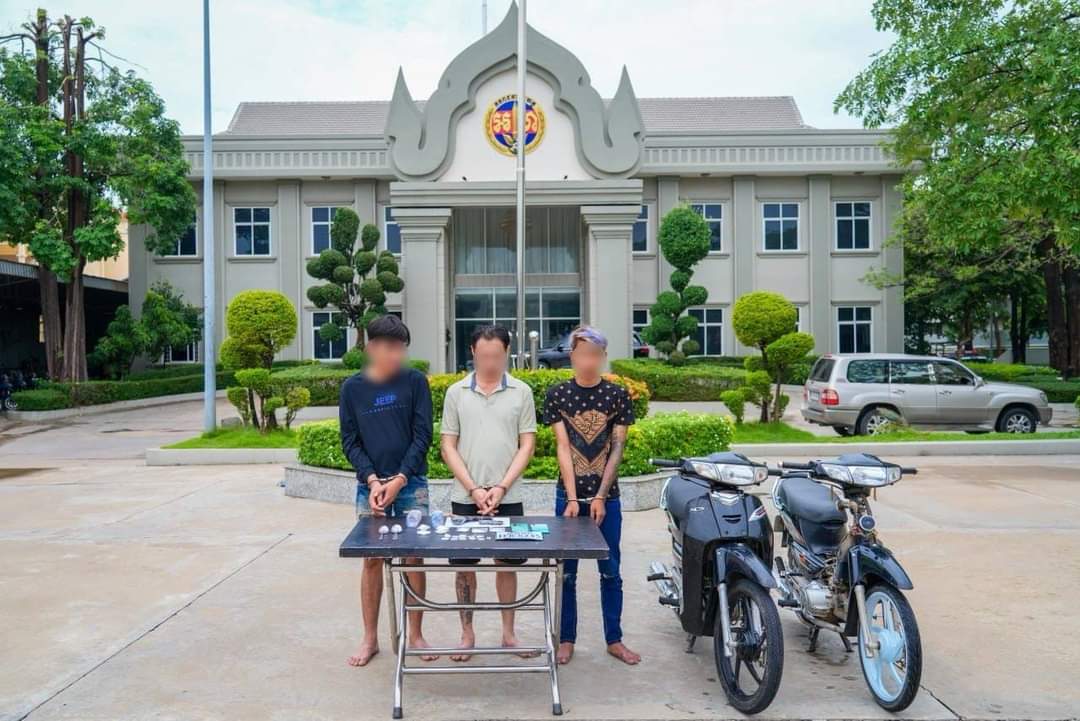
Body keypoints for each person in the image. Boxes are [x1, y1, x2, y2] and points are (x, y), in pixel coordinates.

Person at [339, 315, 435, 667]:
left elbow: (423, 435)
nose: (398, 355)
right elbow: (350, 441)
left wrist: (399, 479)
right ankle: (370, 638)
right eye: (391, 348)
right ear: (372, 348)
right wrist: (372, 480)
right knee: (371, 560)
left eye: (402, 348)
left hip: (411, 485)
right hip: (370, 488)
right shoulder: (352, 389)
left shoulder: (415, 382)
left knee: (414, 557)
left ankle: (415, 634)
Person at [543, 326, 641, 666]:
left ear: (603, 357)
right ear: (572, 355)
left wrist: (600, 496)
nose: (589, 361)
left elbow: (617, 447)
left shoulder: (617, 395)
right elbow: (563, 446)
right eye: (583, 354)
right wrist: (573, 498)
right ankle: (566, 639)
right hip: (568, 498)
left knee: (610, 570)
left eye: (595, 355)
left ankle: (614, 639)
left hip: (607, 499)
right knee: (566, 573)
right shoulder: (558, 394)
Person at [440, 325, 537, 661]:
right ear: (473, 352)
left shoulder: (521, 392)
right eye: (484, 356)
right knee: (464, 566)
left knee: (506, 564)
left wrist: (500, 487)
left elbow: (527, 445)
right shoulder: (456, 393)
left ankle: (509, 634)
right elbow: (448, 446)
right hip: (465, 496)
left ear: (507, 352)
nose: (490, 363)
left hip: (508, 496)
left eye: (496, 356)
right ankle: (467, 634)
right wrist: (474, 488)